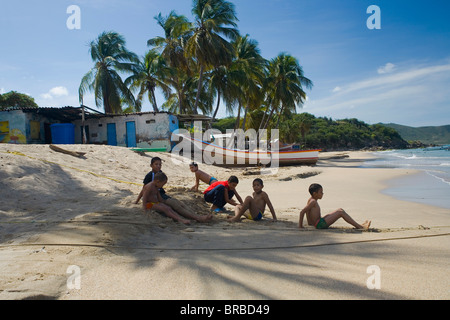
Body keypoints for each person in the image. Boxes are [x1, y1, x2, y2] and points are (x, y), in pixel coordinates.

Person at [136, 157, 212, 223]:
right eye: (156, 164)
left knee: (180, 204)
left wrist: (160, 200)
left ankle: (197, 216)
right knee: (175, 205)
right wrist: (137, 201)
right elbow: (144, 190)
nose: (158, 166)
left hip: (162, 196)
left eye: (160, 164)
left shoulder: (160, 174)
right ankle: (197, 218)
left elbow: (158, 192)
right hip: (157, 198)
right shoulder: (150, 177)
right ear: (151, 165)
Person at [299, 183, 371, 230]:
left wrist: (310, 223)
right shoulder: (313, 201)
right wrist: (300, 226)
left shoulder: (311, 200)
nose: (322, 193)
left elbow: (308, 211)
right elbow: (302, 212)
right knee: (340, 212)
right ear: (315, 193)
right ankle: (360, 227)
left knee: (340, 209)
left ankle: (359, 225)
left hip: (318, 222)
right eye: (321, 192)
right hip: (319, 225)